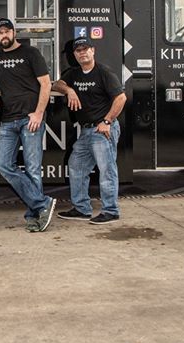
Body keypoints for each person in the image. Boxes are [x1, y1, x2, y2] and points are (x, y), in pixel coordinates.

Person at [0, 18, 56, 232]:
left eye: (7, 31)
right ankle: (42, 204)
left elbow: (46, 84)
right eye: (0, 33)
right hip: (8, 120)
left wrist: (38, 114)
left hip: (30, 119)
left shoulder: (30, 53)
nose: (4, 35)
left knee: (33, 169)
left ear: (14, 33)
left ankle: (34, 216)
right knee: (4, 165)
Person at [52, 37, 127, 224]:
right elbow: (56, 84)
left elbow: (121, 98)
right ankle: (81, 208)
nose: (82, 53)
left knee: (107, 170)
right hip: (86, 132)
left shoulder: (104, 73)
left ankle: (111, 210)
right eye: (78, 51)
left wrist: (107, 121)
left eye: (85, 49)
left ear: (93, 51)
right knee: (76, 166)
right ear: (75, 55)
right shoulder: (74, 74)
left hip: (102, 130)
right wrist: (69, 90)